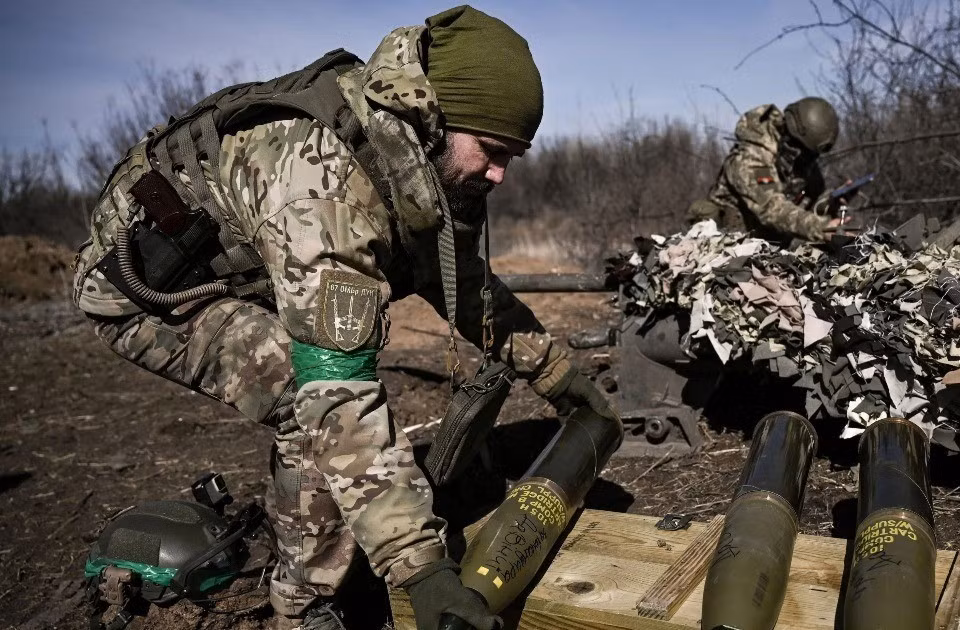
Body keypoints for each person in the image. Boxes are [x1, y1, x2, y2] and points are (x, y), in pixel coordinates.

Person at [71, 6, 617, 630]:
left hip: (246, 268)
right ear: (434, 118)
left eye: (512, 156)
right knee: (307, 405)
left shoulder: (411, 160)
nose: (500, 173)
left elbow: (461, 281)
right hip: (148, 294)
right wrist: (422, 570)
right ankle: (304, 606)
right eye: (492, 151)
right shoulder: (320, 188)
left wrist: (557, 375)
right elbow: (338, 394)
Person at [688, 97, 848, 244]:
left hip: (763, 248)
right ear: (790, 138)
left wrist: (830, 203)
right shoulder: (750, 158)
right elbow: (772, 208)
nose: (808, 161)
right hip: (725, 247)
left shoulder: (798, 158)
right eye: (805, 153)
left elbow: (812, 198)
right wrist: (820, 228)